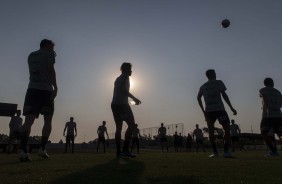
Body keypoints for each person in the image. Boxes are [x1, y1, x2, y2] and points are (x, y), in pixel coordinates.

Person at [19, 39, 57, 161]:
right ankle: (42, 148)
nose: (53, 48)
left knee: (28, 121)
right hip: (45, 90)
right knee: (48, 120)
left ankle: (23, 151)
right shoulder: (49, 53)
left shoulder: (31, 55)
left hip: (32, 90)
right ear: (47, 45)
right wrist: (55, 86)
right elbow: (50, 68)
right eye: (52, 46)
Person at [197, 69, 237, 158]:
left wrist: (203, 111)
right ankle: (226, 152)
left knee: (211, 132)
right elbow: (224, 95)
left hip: (209, 111)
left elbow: (198, 98)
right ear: (214, 74)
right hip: (220, 110)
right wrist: (231, 107)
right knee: (227, 130)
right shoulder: (218, 82)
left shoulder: (203, 86)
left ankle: (215, 153)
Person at [111, 62, 141, 158]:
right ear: (124, 69)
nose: (131, 70)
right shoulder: (125, 77)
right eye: (129, 68)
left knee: (119, 128)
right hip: (122, 105)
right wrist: (134, 98)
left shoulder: (118, 78)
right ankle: (125, 150)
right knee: (132, 125)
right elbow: (124, 91)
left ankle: (119, 152)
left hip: (115, 105)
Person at [259, 78, 282, 156]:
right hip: (279, 115)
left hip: (267, 116)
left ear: (265, 84)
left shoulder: (263, 90)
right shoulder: (278, 92)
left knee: (264, 133)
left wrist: (268, 109)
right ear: (272, 83)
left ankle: (274, 151)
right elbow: (280, 105)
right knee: (278, 133)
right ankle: (274, 151)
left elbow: (264, 97)